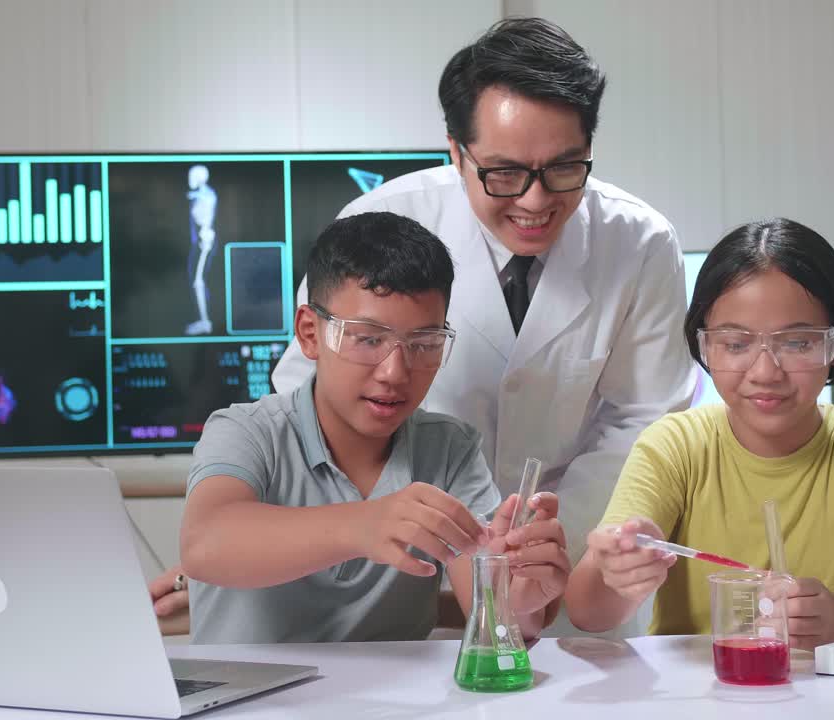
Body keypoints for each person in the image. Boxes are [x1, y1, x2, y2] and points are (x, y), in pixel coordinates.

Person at [269, 18, 694, 576]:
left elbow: (644, 418)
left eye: (565, 167)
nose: (535, 199)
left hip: (563, 553)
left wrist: (540, 540)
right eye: (504, 172)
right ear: (456, 151)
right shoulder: (383, 221)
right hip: (394, 555)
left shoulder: (640, 242)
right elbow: (306, 396)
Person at [565, 218, 834, 649]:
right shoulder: (676, 446)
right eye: (735, 344)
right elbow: (589, 613)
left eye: (797, 343)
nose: (764, 373)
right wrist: (619, 574)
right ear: (703, 346)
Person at [179, 211, 570, 643]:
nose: (395, 372)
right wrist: (362, 525)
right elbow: (204, 544)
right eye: (367, 339)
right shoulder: (247, 431)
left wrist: (519, 597)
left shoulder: (448, 449)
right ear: (310, 334)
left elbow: (493, 618)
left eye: (424, 344)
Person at [185, 164, 217, 336]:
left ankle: (205, 322)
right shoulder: (202, 195)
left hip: (204, 241)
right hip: (201, 240)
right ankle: (203, 320)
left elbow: (203, 213)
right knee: (197, 280)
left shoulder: (207, 195)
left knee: (198, 281)